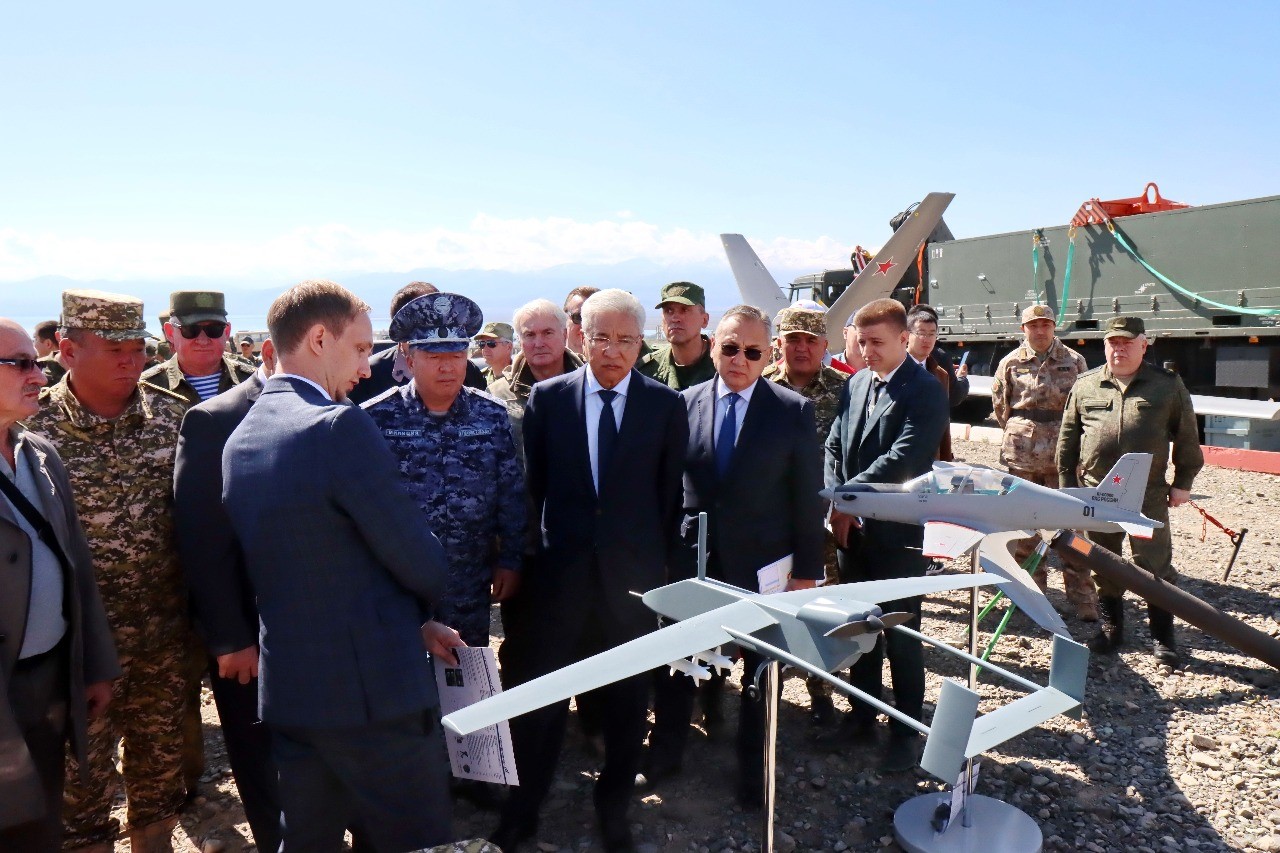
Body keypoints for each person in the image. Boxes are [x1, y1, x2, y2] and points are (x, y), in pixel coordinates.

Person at [222, 280, 464, 851]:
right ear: (318, 339)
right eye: (358, 349)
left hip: (295, 692)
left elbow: (317, 564)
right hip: (374, 698)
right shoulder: (336, 425)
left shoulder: (241, 438)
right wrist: (425, 591)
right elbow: (419, 560)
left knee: (308, 839)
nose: (364, 367)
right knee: (414, 839)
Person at [492, 289, 687, 853]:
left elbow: (670, 500)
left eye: (626, 340)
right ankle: (522, 810)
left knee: (627, 702)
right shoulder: (549, 400)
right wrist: (526, 564)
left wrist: (666, 582)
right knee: (543, 702)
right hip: (560, 580)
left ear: (641, 343)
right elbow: (534, 490)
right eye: (601, 338)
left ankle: (614, 808)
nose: (612, 351)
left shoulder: (664, 406)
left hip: (631, 584)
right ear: (582, 337)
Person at [25, 290, 194, 852]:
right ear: (68, 350)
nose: (130, 361)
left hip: (163, 637)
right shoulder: (32, 431)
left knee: (161, 772)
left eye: (137, 349)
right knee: (80, 782)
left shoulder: (173, 418)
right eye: (114, 349)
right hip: (77, 649)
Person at [648, 305, 825, 808]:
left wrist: (807, 572)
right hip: (694, 557)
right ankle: (666, 755)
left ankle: (754, 771)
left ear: (768, 355)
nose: (739, 360)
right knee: (679, 659)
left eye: (752, 351)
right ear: (713, 347)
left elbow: (806, 497)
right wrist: (662, 555)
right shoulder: (683, 404)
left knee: (761, 673)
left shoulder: (792, 410)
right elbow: (666, 488)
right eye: (730, 348)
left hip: (762, 563)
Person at [0, 318, 119, 852]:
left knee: (41, 821)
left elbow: (78, 570)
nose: (39, 376)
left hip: (48, 680)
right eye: (21, 364)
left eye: (37, 362)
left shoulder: (40, 455)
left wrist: (94, 665)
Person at [824, 298, 948, 772]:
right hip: (853, 531)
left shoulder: (925, 389)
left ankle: (905, 730)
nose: (866, 351)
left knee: (900, 633)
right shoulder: (857, 382)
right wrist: (837, 496)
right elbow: (834, 444)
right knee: (861, 628)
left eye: (876, 342)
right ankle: (861, 715)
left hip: (898, 534)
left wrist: (846, 498)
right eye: (861, 341)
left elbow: (905, 456)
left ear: (903, 338)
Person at [363, 294, 526, 650]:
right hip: (399, 587)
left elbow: (510, 495)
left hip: (469, 581)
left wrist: (511, 560)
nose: (447, 368)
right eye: (434, 357)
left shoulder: (491, 415)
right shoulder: (376, 418)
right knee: (403, 671)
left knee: (466, 671)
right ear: (410, 359)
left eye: (455, 356)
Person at [172, 339, 281, 852]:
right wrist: (230, 637)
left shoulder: (341, 410)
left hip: (316, 629)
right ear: (272, 351)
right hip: (249, 631)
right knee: (260, 756)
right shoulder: (215, 419)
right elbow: (203, 542)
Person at [1057, 316, 1203, 664]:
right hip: (1098, 494)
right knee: (1103, 562)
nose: (1119, 349)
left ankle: (1162, 637)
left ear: (1143, 344)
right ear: (1105, 346)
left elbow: (1187, 436)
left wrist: (1183, 483)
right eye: (1113, 342)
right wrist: (1067, 491)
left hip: (1146, 494)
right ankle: (1111, 630)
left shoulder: (1166, 386)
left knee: (1154, 565)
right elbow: (1068, 440)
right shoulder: (1086, 384)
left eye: (1126, 342)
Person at [759, 305, 850, 725]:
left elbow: (853, 450)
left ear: (824, 345)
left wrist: (845, 506)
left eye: (810, 340)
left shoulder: (845, 389)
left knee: (821, 607)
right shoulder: (760, 385)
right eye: (792, 339)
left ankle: (822, 694)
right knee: (771, 604)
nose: (801, 348)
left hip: (822, 521)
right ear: (779, 343)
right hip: (770, 520)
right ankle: (767, 689)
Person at [992, 304, 1097, 621]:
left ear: (1054, 327)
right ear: (1023, 329)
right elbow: (1001, 407)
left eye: (1045, 325)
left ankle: (1083, 599)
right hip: (1023, 459)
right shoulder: (1010, 363)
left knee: (1073, 530)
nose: (1040, 331)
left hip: (1062, 459)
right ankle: (1030, 596)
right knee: (1025, 529)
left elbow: (1084, 406)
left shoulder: (1074, 361)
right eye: (1033, 325)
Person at [346, 282, 487, 404]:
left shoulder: (468, 372)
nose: (446, 367)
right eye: (425, 318)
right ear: (402, 327)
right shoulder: (369, 375)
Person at [488, 299, 584, 464]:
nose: (539, 344)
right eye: (530, 335)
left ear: (564, 335)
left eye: (547, 333)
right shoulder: (497, 395)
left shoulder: (591, 384)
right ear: (520, 341)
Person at [141, 291, 255, 405]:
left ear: (226, 332)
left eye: (214, 329)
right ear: (170, 332)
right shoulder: (144, 390)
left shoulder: (255, 381)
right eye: (190, 330)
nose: (203, 340)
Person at [638, 282, 716, 389]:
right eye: (669, 311)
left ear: (704, 320)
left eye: (684, 310)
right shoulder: (647, 371)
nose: (675, 318)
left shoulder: (722, 365)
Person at [905, 305, 955, 462]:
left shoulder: (941, 375)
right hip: (900, 456)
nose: (926, 339)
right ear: (907, 335)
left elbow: (943, 423)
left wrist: (945, 459)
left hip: (931, 457)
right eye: (921, 333)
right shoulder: (893, 369)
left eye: (932, 334)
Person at [562, 285, 599, 358]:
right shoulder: (548, 363)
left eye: (595, 318)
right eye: (579, 317)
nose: (585, 325)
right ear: (564, 318)